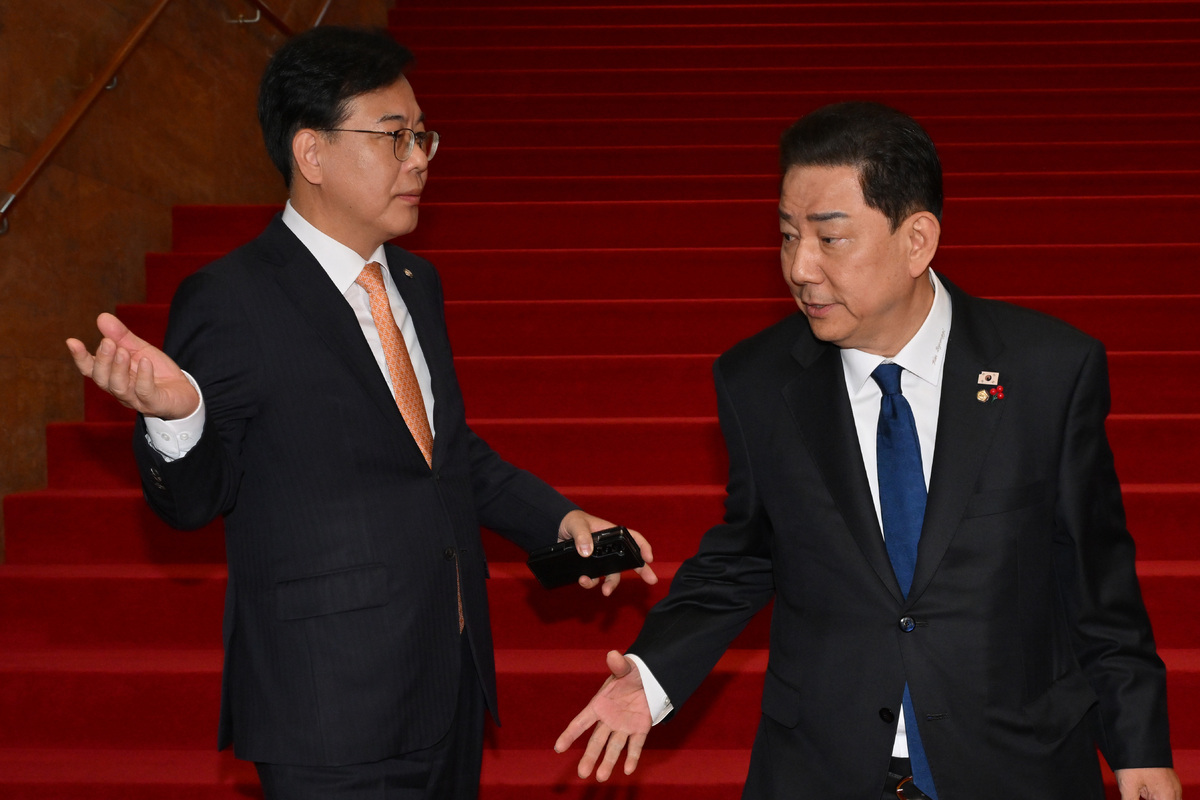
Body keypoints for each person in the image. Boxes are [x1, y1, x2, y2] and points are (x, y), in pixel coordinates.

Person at [66, 26, 656, 800]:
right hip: (328, 707)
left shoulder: (415, 281)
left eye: (423, 136)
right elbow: (194, 504)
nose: (419, 159)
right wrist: (180, 418)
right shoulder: (231, 299)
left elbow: (443, 453)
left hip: (448, 680)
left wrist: (558, 519)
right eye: (394, 136)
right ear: (311, 153)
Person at [554, 102, 1181, 800]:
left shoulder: (1047, 371)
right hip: (824, 765)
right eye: (788, 235)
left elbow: (1097, 584)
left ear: (917, 241)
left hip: (1016, 762)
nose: (800, 267)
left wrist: (1138, 745)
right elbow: (748, 553)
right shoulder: (757, 382)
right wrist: (652, 675)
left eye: (830, 238)